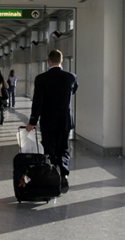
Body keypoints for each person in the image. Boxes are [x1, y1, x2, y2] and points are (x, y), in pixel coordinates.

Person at [26, 50, 78, 194]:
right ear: (61, 60)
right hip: (64, 120)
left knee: (49, 148)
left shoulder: (41, 79)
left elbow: (38, 102)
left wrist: (32, 121)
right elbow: (73, 91)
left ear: (48, 61)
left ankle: (52, 174)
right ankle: (64, 173)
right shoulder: (71, 77)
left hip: (48, 119)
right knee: (63, 148)